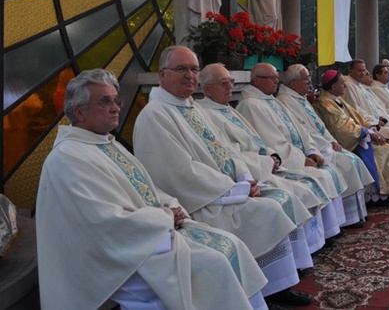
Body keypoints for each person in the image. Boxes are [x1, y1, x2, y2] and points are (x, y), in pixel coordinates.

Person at [37, 69, 267, 310]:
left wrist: (171, 206)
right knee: (215, 262)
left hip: (146, 235)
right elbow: (102, 223)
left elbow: (145, 189)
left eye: (116, 100)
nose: (115, 108)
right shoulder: (68, 158)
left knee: (231, 244)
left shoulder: (104, 142)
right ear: (78, 111)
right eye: (105, 101)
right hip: (115, 256)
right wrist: (165, 217)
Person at [133, 46, 312, 306]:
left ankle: (277, 283)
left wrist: (245, 176)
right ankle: (272, 289)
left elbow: (225, 150)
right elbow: (181, 172)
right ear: (162, 75)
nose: (189, 75)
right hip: (202, 201)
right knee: (269, 211)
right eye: (181, 69)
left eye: (193, 69)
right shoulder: (154, 115)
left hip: (226, 190)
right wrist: (233, 188)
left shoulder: (189, 107)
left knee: (274, 205)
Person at [196, 63, 329, 261]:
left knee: (312, 182)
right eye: (224, 83)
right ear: (207, 89)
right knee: (288, 197)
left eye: (230, 82)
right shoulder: (211, 112)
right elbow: (230, 153)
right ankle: (291, 264)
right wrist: (266, 163)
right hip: (242, 178)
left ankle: (310, 247)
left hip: (259, 167)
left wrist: (273, 157)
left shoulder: (226, 108)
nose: (229, 88)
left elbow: (257, 139)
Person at [236, 63, 346, 239]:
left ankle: (330, 229)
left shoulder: (271, 100)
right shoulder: (251, 104)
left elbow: (300, 129)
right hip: (282, 163)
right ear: (257, 80)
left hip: (295, 155)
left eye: (276, 77)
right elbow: (273, 141)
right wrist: (300, 159)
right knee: (316, 179)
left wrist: (310, 150)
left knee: (327, 173)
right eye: (271, 78)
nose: (276, 81)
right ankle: (314, 238)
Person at [277, 64, 374, 227]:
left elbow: (318, 125)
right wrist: (322, 145)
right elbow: (303, 129)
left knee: (351, 160)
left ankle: (356, 214)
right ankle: (346, 219)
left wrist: (331, 140)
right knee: (345, 164)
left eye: (309, 78)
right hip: (314, 147)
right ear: (293, 84)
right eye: (305, 79)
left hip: (321, 144)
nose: (309, 82)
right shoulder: (286, 101)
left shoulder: (299, 98)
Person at [312, 69, 389, 206]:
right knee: (385, 151)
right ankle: (377, 195)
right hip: (344, 141)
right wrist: (366, 133)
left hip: (359, 136)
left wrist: (371, 127)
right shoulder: (324, 103)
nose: (345, 86)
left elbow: (356, 116)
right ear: (333, 87)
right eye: (342, 83)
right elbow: (341, 128)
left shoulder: (337, 99)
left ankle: (386, 193)